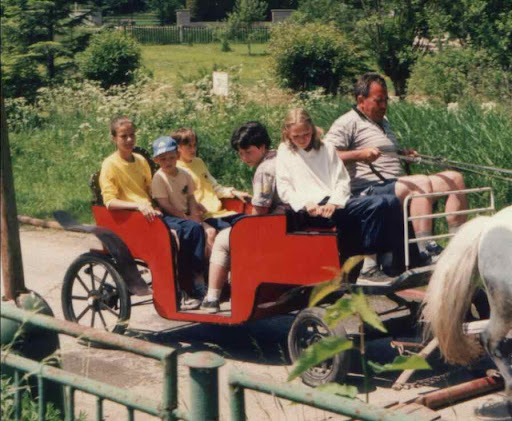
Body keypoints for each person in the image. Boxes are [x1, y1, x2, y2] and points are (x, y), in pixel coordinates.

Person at [323, 73, 468, 261]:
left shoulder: (383, 121)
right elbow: (326, 156)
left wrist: (403, 154)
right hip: (368, 189)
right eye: (378, 101)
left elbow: (386, 153)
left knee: (454, 178)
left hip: (396, 184)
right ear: (361, 100)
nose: (384, 106)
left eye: (386, 100)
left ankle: (458, 247)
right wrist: (360, 154)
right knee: (420, 182)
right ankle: (426, 249)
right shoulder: (346, 122)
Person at [276, 108, 406, 280]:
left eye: (306, 134)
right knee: (377, 204)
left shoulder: (326, 148)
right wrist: (305, 203)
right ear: (288, 134)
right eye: (296, 136)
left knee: (391, 201)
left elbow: (342, 181)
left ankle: (395, 263)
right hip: (309, 209)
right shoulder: (285, 151)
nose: (302, 140)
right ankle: (369, 268)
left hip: (333, 203)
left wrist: (334, 202)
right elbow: (284, 187)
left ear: (312, 130)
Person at [200, 121, 286, 313]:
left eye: (248, 152)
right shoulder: (282, 157)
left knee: (222, 240)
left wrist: (245, 224)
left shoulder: (264, 170)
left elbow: (260, 210)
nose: (244, 158)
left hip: (274, 225)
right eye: (240, 153)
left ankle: (212, 298)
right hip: (288, 221)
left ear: (262, 147)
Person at [173, 127, 251, 253]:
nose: (193, 149)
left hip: (220, 211)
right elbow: (179, 199)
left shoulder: (198, 162)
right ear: (178, 148)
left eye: (195, 145)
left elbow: (214, 186)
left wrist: (232, 192)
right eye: (189, 146)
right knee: (231, 234)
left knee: (249, 224)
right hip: (205, 215)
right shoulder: (175, 169)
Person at [151, 136, 207, 310]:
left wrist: (194, 214)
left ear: (177, 156)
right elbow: (164, 205)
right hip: (168, 216)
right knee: (184, 233)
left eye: (171, 157)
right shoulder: (159, 178)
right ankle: (184, 284)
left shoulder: (184, 174)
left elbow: (190, 197)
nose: (168, 162)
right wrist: (184, 217)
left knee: (197, 228)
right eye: (163, 159)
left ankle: (197, 271)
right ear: (156, 160)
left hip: (184, 215)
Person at [99, 116, 160, 221]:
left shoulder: (141, 160)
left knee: (187, 226)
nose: (129, 139)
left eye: (132, 135)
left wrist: (156, 207)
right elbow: (110, 202)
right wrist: (138, 206)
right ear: (114, 138)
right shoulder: (110, 164)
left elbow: (150, 189)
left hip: (150, 212)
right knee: (174, 230)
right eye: (123, 136)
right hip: (130, 215)